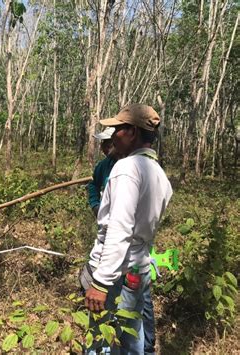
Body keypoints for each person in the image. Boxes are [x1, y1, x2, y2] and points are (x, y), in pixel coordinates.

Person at [84, 104, 172, 354]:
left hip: (117, 274)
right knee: (131, 336)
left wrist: (100, 283)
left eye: (117, 129)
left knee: (100, 339)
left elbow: (119, 230)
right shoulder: (159, 174)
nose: (113, 135)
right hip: (138, 268)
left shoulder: (126, 169)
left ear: (132, 132)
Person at [87, 127, 116, 217]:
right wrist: (95, 205)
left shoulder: (131, 164)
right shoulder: (103, 165)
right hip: (106, 220)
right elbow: (94, 184)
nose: (103, 149)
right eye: (103, 144)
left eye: (109, 145)